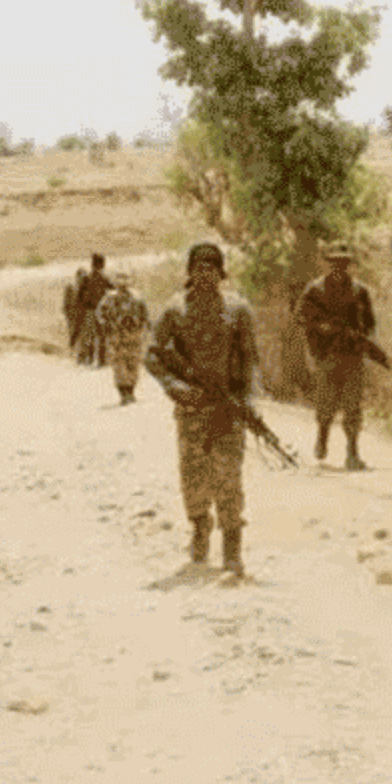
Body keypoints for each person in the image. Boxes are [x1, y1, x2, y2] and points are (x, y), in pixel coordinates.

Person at [146, 243, 259, 575]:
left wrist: (247, 401)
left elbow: (250, 359)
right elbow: (152, 355)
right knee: (193, 475)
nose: (205, 273)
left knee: (228, 475)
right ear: (190, 271)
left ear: (221, 272)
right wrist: (175, 387)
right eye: (199, 267)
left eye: (211, 267)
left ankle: (232, 545)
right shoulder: (175, 309)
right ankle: (199, 526)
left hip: (227, 406)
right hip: (192, 408)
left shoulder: (238, 309)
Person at [296, 241, 378, 470]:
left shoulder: (359, 291)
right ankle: (322, 436)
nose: (339, 267)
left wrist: (359, 336)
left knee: (353, 405)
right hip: (326, 355)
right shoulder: (315, 290)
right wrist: (321, 327)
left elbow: (370, 323)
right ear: (327, 263)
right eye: (335, 262)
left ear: (349, 264)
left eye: (343, 262)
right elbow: (301, 317)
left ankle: (352, 452)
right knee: (326, 403)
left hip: (352, 356)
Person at [97, 271, 149, 405]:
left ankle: (129, 393)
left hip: (130, 336)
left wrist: (143, 327)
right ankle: (126, 394)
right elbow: (101, 314)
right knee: (123, 365)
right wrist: (107, 326)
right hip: (120, 336)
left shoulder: (135, 297)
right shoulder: (110, 297)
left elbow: (144, 314)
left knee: (130, 365)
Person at [77, 254, 112, 367]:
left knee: (90, 335)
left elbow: (79, 294)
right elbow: (113, 290)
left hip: (90, 310)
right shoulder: (104, 278)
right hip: (102, 311)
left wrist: (81, 308)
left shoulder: (87, 278)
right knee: (102, 335)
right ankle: (102, 360)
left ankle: (90, 359)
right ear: (102, 264)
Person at [64, 268, 87, 355]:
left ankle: (79, 352)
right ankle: (72, 350)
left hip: (82, 314)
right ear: (77, 277)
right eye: (81, 277)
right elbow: (66, 303)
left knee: (82, 334)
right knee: (74, 333)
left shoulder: (84, 289)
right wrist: (68, 315)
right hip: (73, 314)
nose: (83, 280)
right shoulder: (71, 287)